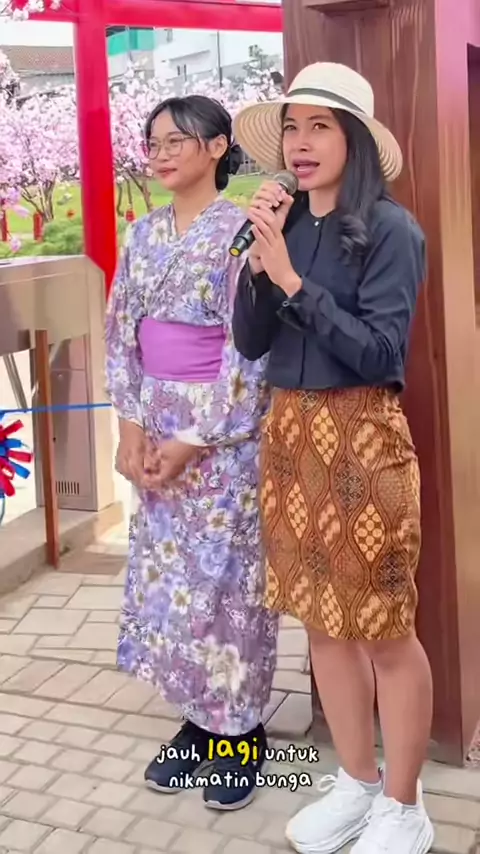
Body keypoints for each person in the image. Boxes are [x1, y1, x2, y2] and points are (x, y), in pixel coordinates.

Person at [232, 63, 434, 853]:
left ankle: (405, 805)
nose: (301, 142)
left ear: (354, 138)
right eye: (292, 126)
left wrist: (292, 281)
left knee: (383, 626)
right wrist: (261, 271)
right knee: (321, 621)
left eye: (320, 126)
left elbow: (380, 351)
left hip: (363, 438)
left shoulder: (391, 229)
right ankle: (356, 783)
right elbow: (252, 342)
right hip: (289, 440)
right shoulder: (283, 226)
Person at [105, 94, 278, 812]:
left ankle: (239, 732)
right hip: (154, 432)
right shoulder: (142, 235)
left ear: (217, 147)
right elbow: (122, 331)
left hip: (219, 442)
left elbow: (250, 350)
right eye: (153, 142)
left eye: (177, 139)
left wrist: (193, 438)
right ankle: (196, 719)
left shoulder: (242, 234)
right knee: (172, 586)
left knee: (227, 589)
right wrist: (129, 428)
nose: (161, 152)